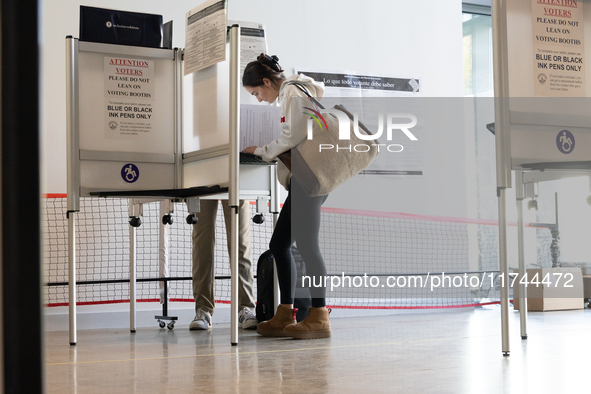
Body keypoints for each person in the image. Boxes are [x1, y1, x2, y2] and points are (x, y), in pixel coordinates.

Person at [242, 54, 331, 339]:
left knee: (307, 246)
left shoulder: (292, 92)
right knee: (280, 244)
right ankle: (285, 312)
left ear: (267, 82)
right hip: (304, 181)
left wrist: (259, 151)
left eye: (257, 92)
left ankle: (319, 316)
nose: (258, 99)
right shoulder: (293, 93)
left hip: (308, 180)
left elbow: (294, 136)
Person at [189, 200, 258, 330]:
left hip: (237, 182)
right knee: (201, 245)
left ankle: (245, 308)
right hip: (202, 181)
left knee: (241, 242)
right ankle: (203, 310)